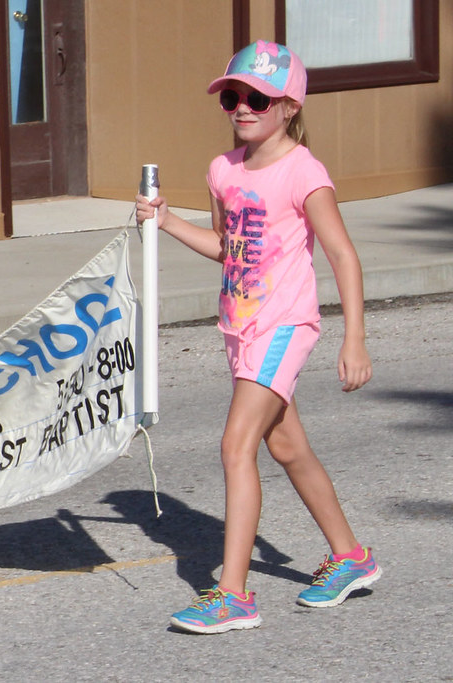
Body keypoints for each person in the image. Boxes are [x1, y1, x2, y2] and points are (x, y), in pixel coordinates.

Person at [135, 41, 381, 634]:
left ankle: (234, 594)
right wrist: (166, 221)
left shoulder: (304, 172)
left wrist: (355, 340)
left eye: (257, 98)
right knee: (286, 447)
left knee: (235, 446)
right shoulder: (224, 170)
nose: (242, 107)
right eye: (233, 97)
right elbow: (228, 250)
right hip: (240, 328)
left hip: (284, 325)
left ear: (289, 106)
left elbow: (344, 256)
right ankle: (351, 557)